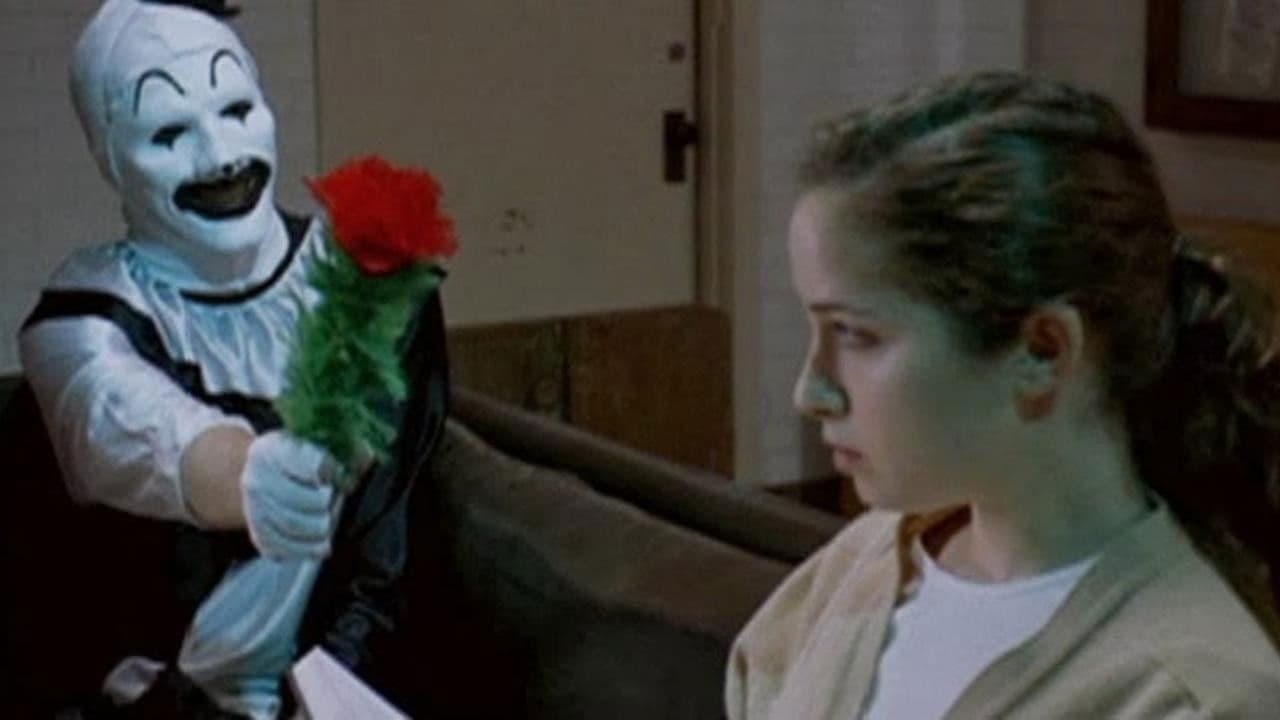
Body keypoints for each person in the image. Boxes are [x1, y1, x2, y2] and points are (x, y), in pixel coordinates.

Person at [725, 71, 1280, 718]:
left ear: (1042, 351)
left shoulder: (1191, 696)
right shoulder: (855, 571)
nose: (810, 391)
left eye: (854, 334)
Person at [17, 1, 447, 717]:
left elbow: (390, 541)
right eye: (168, 133)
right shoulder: (82, 317)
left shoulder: (364, 281)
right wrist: (249, 474)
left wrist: (331, 690)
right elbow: (120, 420)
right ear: (110, 157)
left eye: (237, 109)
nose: (220, 156)